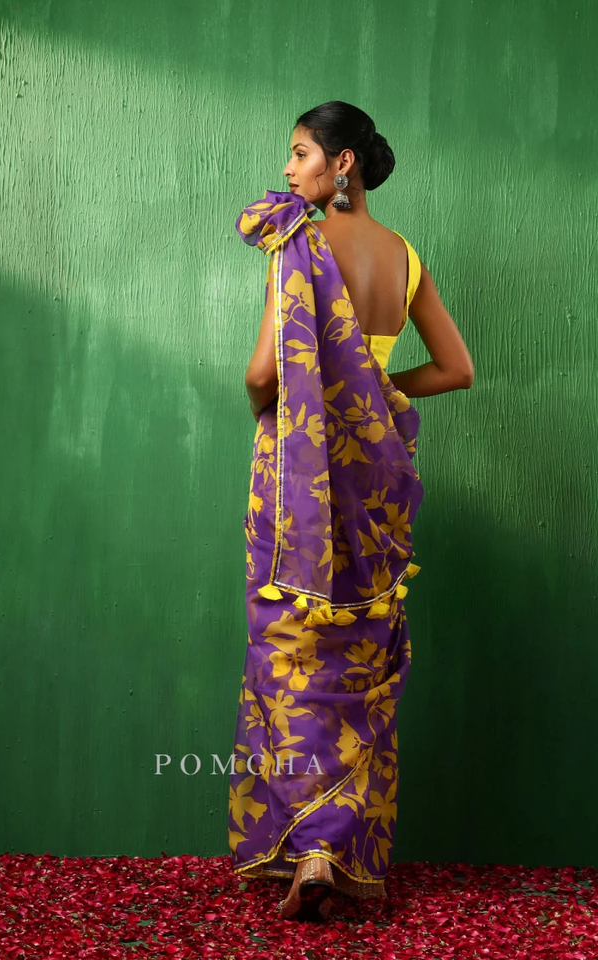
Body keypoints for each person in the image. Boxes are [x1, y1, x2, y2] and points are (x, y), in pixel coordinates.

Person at [228, 101, 474, 923]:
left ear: (343, 165)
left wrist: (290, 408)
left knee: (291, 651)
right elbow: (456, 369)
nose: (288, 168)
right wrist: (368, 394)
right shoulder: (403, 256)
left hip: (300, 471)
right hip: (376, 477)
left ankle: (307, 848)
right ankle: (335, 848)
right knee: (359, 658)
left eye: (300, 152)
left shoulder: (298, 244)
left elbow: (263, 375)